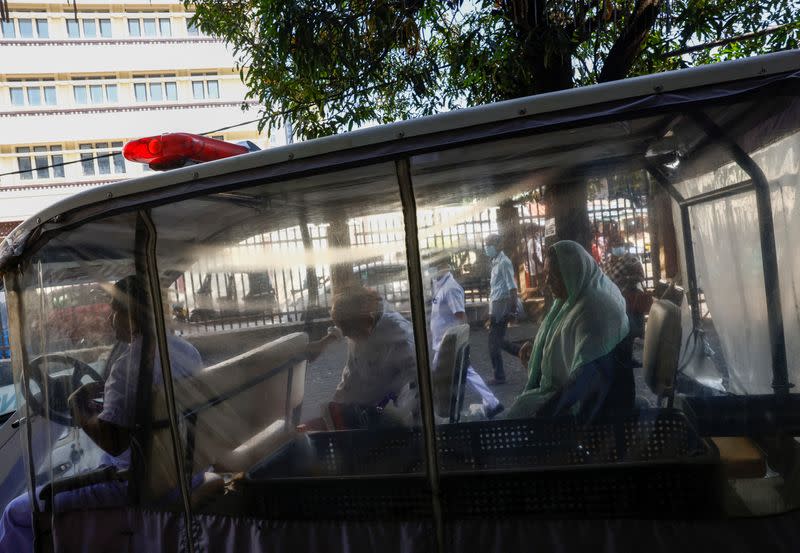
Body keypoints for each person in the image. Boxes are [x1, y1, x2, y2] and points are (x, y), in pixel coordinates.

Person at [0, 276, 203, 552]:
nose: (110, 319)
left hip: (132, 481)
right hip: (183, 472)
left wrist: (77, 407)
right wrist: (107, 406)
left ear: (131, 314)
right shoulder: (185, 351)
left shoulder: (129, 366)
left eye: (114, 310)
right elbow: (148, 413)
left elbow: (113, 442)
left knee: (17, 512)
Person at [506, 240, 633, 421]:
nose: (547, 282)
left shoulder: (594, 309)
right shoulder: (577, 295)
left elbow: (584, 379)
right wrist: (539, 348)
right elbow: (565, 333)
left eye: (555, 276)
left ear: (574, 272)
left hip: (597, 411)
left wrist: (542, 416)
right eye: (546, 275)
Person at [305, 286, 418, 429]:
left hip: (393, 420)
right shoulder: (359, 329)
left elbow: (415, 383)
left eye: (346, 327)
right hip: (362, 412)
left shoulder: (397, 334)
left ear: (364, 319)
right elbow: (351, 375)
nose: (345, 334)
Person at [429, 258, 504, 419]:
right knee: (461, 373)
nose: (432, 270)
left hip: (449, 343)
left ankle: (491, 403)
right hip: (443, 342)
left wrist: (462, 342)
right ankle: (492, 403)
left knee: (461, 373)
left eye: (435, 266)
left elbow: (461, 316)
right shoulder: (440, 285)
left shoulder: (450, 288)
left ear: (444, 267)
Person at [484, 234, 519, 385]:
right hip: (496, 306)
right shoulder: (495, 262)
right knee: (498, 341)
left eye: (489, 244)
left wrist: (512, 311)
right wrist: (491, 312)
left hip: (503, 306)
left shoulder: (504, 262)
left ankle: (499, 376)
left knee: (493, 343)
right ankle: (523, 352)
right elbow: (495, 290)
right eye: (486, 244)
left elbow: (512, 288)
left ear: (498, 245)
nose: (487, 247)